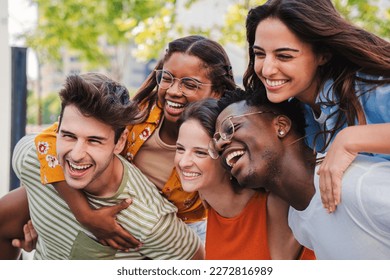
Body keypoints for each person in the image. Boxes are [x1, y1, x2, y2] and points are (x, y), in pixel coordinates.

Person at [0, 35, 237, 256]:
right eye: (167, 78)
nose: (174, 90)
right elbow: (49, 140)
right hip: (97, 196)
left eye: (190, 84)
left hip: (167, 229)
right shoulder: (138, 116)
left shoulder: (223, 143)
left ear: (217, 92)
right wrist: (83, 216)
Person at [10, 73, 204, 260]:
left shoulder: (147, 220)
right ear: (57, 128)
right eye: (69, 136)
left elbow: (196, 263)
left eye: (94, 141)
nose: (77, 155)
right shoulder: (31, 157)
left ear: (120, 143)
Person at [243, 0, 390, 213]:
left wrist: (350, 139)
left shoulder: (372, 87)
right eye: (260, 54)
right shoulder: (294, 115)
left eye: (284, 56)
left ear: (323, 54)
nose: (267, 69)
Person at [210, 88, 390, 259]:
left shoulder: (356, 184)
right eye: (215, 142)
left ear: (281, 126)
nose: (220, 145)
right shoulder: (297, 221)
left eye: (230, 128)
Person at [175, 96, 315, 260]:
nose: (184, 162)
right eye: (180, 149)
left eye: (200, 152)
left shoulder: (279, 204)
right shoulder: (210, 206)